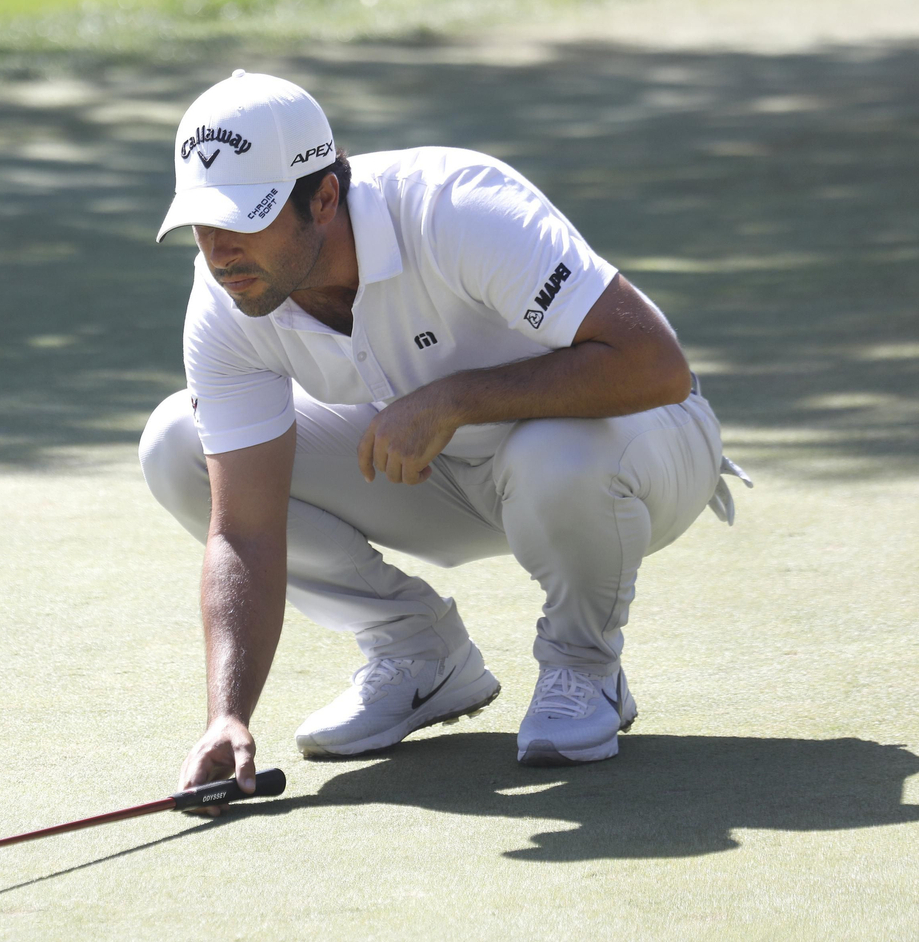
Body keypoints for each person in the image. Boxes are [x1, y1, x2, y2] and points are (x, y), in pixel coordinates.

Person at [139, 70, 750, 797]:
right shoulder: (226, 298)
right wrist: (227, 715)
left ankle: (584, 669)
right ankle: (419, 653)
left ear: (324, 198)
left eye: (245, 218)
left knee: (556, 454)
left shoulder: (455, 207)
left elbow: (656, 367)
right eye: (202, 223)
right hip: (446, 475)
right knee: (179, 444)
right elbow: (243, 529)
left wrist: (455, 399)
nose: (218, 250)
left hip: (640, 447)